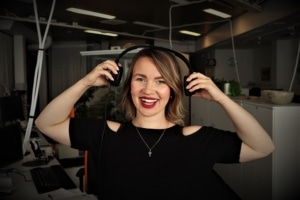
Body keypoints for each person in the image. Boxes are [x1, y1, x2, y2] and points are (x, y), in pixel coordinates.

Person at [35, 46, 274, 199]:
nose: (149, 90)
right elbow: (46, 124)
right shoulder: (106, 133)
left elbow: (262, 146)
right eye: (140, 79)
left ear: (174, 90)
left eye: (161, 81)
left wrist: (221, 97)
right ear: (129, 85)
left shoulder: (197, 138)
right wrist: (86, 82)